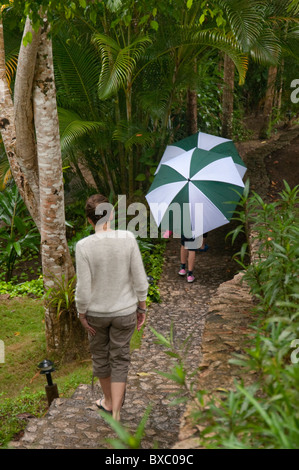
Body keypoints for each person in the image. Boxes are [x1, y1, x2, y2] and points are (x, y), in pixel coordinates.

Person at [75, 194, 149, 421]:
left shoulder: (83, 246)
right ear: (112, 214)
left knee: (101, 357)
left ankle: (107, 403)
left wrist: (82, 313)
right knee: (120, 358)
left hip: (96, 314)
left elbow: (84, 287)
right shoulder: (127, 238)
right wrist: (142, 306)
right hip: (125, 311)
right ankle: (116, 410)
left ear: (89, 220)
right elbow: (139, 276)